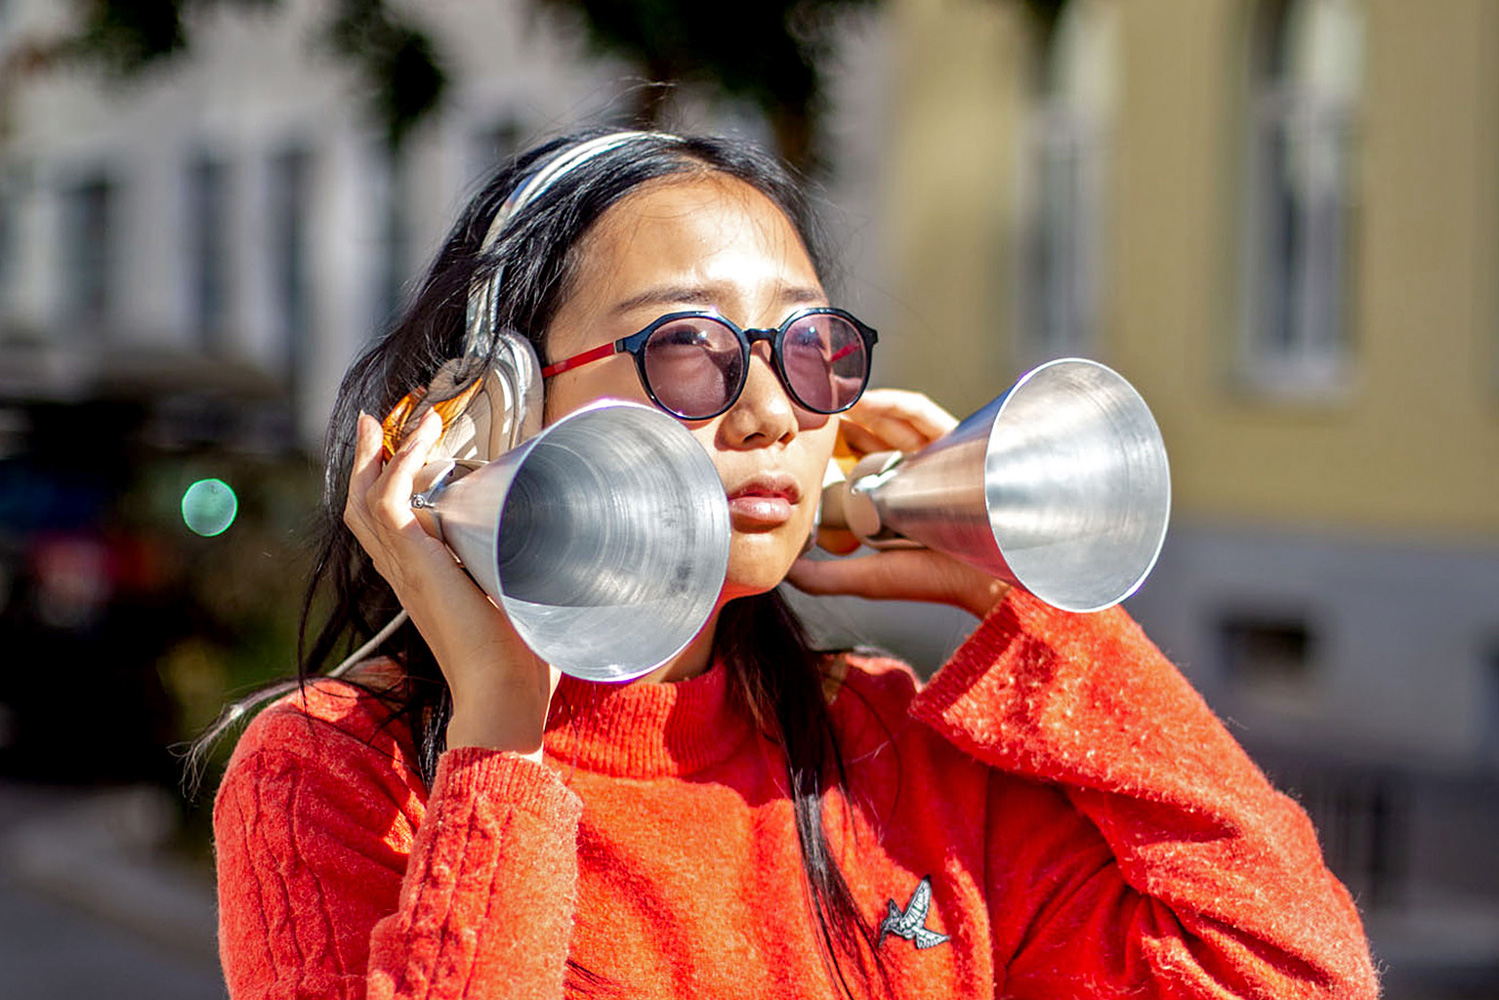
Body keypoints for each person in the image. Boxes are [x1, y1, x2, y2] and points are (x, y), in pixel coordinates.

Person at [211, 128, 1379, 999]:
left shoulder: (896, 750)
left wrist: (1030, 617)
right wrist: (502, 723)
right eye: (689, 347)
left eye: (810, 346)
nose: (773, 409)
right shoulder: (335, 772)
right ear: (505, 403)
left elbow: (1291, 973)